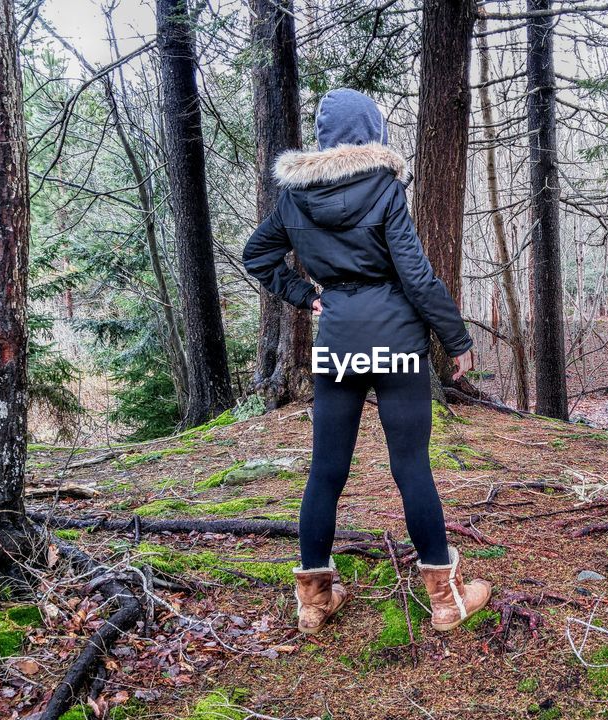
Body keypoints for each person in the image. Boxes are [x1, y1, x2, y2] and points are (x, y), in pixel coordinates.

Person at [242, 88, 492, 635]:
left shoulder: (293, 197)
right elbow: (416, 275)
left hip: (336, 343)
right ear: (371, 132)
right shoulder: (383, 186)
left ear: (325, 136)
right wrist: (455, 338)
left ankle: (313, 601)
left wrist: (305, 294)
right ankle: (446, 600)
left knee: (326, 471)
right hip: (396, 342)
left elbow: (255, 255)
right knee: (411, 467)